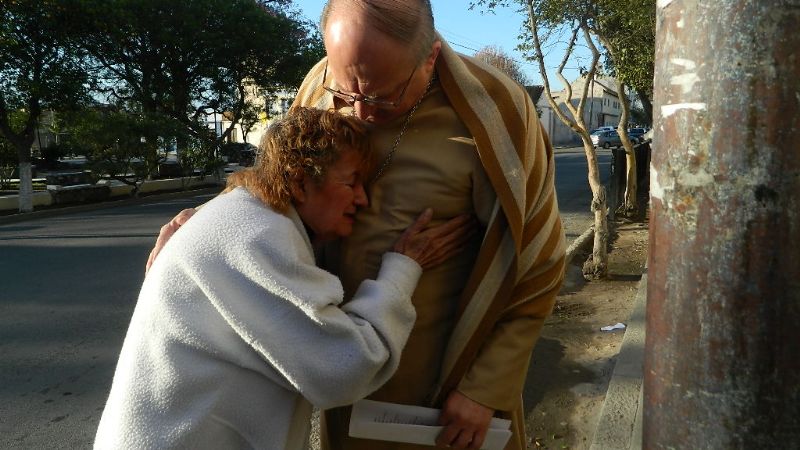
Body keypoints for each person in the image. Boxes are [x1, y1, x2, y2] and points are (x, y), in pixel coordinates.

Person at [147, 1, 566, 449]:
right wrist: (209, 222)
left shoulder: (496, 112)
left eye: (383, 97)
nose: (360, 113)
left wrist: (484, 389)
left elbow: (538, 262)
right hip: (341, 375)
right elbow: (283, 181)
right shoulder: (319, 84)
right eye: (346, 93)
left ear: (431, 57)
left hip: (443, 395)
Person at [96, 107, 474, 449]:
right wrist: (404, 266)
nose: (363, 200)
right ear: (299, 180)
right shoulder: (256, 234)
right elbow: (345, 367)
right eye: (351, 182)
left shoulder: (239, 215)